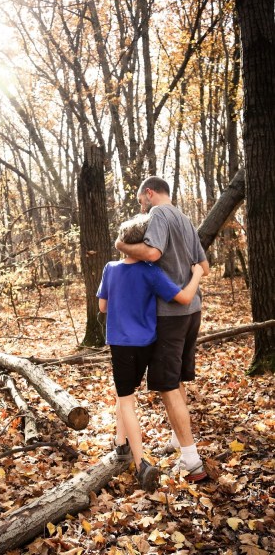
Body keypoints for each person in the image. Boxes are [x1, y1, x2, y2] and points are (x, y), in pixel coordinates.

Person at [97, 213, 204, 492]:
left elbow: (102, 307)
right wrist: (196, 274)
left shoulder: (110, 268)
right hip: (147, 344)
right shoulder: (151, 271)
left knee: (126, 399)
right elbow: (184, 297)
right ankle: (120, 442)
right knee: (125, 393)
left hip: (120, 344)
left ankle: (140, 462)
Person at [115, 176, 210, 483]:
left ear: (150, 193)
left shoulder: (158, 213)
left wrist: (121, 245)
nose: (141, 207)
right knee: (177, 378)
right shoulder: (185, 219)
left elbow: (153, 253)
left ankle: (192, 461)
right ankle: (177, 440)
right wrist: (192, 278)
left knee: (168, 386)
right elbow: (204, 268)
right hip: (192, 310)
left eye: (140, 200)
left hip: (171, 314)